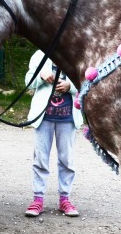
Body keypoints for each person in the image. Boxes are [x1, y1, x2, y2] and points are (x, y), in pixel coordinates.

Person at [23, 50, 82, 218]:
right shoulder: (39, 56)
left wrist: (69, 86)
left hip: (68, 118)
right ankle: (38, 199)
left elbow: (85, 82)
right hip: (44, 118)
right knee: (40, 158)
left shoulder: (74, 53)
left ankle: (65, 199)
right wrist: (41, 76)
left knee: (67, 159)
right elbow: (28, 82)